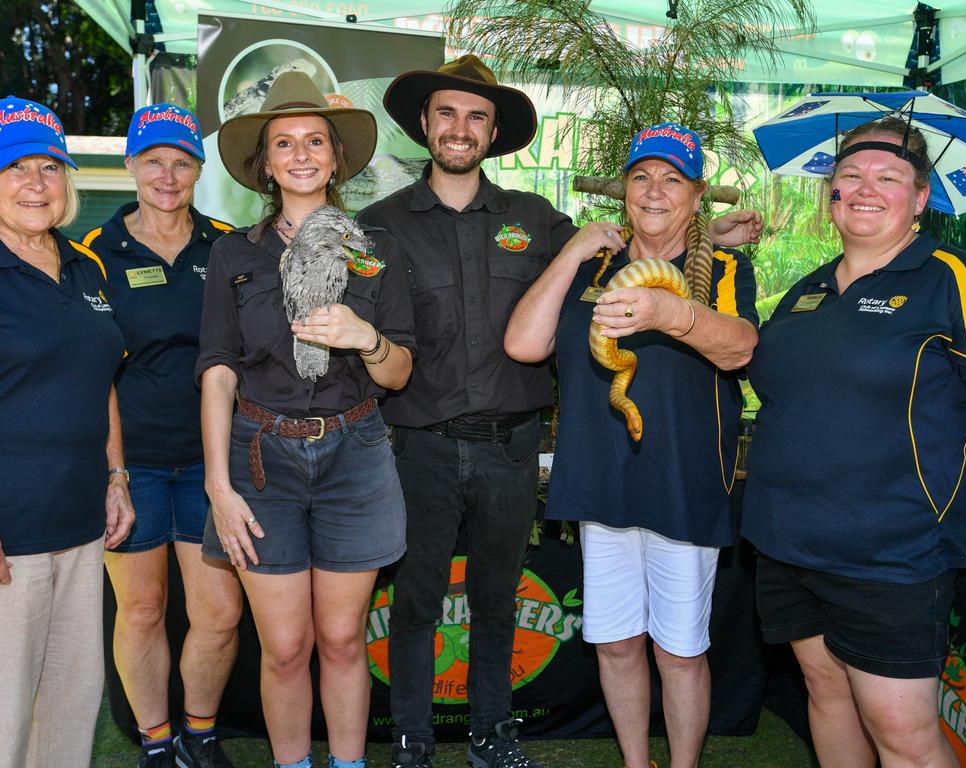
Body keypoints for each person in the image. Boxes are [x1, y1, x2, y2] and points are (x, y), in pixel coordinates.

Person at [357, 57, 762, 768]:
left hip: (555, 456)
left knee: (525, 610)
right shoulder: (383, 223)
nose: (461, 127)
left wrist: (695, 262)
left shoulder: (535, 219)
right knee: (428, 606)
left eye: (477, 115)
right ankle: (414, 746)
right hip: (434, 444)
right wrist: (585, 248)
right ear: (423, 124)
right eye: (641, 176)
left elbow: (717, 326)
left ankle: (498, 738)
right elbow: (531, 328)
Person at [504, 123, 758, 768]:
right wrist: (571, 252)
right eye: (642, 177)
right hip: (600, 477)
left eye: (673, 179)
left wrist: (667, 313)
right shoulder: (592, 264)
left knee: (679, 649)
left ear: (697, 197)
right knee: (616, 643)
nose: (654, 191)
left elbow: (741, 348)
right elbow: (525, 346)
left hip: (684, 479)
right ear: (622, 191)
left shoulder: (725, 267)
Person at [197, 71, 415, 768]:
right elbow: (218, 369)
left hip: (355, 451)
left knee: (344, 640)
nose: (300, 153)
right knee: (285, 647)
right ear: (264, 163)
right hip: (261, 458)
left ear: (336, 156)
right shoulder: (235, 251)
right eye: (283, 142)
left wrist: (366, 338)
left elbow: (399, 373)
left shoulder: (374, 249)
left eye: (314, 140)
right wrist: (218, 487)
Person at [742, 116, 966, 768]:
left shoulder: (950, 278)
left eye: (889, 177)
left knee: (903, 734)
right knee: (827, 691)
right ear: (831, 191)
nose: (867, 189)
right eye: (850, 176)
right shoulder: (807, 290)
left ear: (921, 197)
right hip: (785, 540)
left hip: (891, 553)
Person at [0, 96, 134, 767]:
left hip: (80, 530)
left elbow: (102, 378)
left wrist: (116, 476)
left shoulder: (87, 268)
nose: (35, 183)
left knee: (66, 716)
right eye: (14, 168)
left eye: (50, 168)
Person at [83, 105, 244, 768]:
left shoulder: (228, 242)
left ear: (198, 170)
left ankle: (198, 736)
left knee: (218, 615)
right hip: (134, 463)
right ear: (130, 166)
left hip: (217, 466)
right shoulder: (94, 252)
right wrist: (111, 472)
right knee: (142, 610)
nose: (168, 175)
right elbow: (87, 369)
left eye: (181, 162)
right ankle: (155, 740)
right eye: (154, 161)